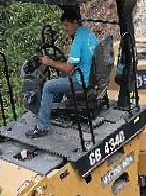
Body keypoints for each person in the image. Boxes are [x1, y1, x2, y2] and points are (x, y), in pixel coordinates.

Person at [26, 9, 99, 138]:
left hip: (81, 80)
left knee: (48, 86)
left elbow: (68, 68)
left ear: (75, 22)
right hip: (91, 74)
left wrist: (50, 62)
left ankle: (41, 127)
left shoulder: (77, 40)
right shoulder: (87, 33)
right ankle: (53, 106)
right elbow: (82, 55)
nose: (65, 29)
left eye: (67, 25)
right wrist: (65, 58)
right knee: (61, 77)